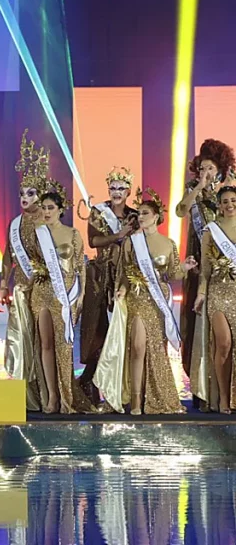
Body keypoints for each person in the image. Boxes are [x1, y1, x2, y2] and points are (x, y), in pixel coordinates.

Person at [96, 189, 195, 415]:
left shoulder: (168, 243)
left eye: (145, 213)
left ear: (156, 216)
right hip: (137, 298)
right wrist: (122, 289)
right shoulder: (132, 242)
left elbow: (172, 274)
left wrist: (185, 267)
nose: (140, 217)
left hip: (158, 300)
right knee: (138, 347)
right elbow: (124, 272)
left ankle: (153, 396)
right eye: (139, 213)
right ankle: (135, 400)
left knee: (155, 349)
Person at [176, 139, 236, 410]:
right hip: (198, 265)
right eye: (202, 168)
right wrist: (199, 187)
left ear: (220, 168)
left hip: (228, 269)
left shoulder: (228, 192)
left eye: (210, 168)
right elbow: (180, 211)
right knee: (195, 326)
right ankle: (202, 389)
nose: (206, 172)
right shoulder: (194, 189)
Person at [77, 168, 138, 403]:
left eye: (121, 188)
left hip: (126, 276)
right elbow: (93, 241)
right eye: (113, 188)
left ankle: (122, 387)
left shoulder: (135, 216)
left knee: (123, 329)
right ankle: (89, 380)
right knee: (97, 329)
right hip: (100, 276)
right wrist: (118, 236)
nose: (116, 192)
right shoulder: (98, 212)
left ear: (128, 191)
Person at [0, 130, 50, 411]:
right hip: (21, 287)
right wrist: (3, 283)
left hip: (42, 287)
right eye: (21, 193)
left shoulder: (47, 221)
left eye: (30, 193)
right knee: (21, 339)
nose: (24, 197)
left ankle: (46, 394)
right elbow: (8, 254)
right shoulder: (14, 223)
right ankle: (25, 396)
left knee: (42, 340)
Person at [29, 188, 89, 414]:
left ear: (60, 210)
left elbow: (80, 266)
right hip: (42, 291)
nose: (46, 212)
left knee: (64, 346)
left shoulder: (72, 233)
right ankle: (52, 396)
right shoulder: (38, 233)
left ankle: (67, 397)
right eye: (43, 208)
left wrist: (81, 295)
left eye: (50, 208)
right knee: (45, 344)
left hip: (65, 293)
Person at [195, 185, 236, 412]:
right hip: (218, 292)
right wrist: (201, 293)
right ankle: (223, 397)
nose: (230, 205)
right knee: (224, 343)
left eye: (233, 200)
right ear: (219, 205)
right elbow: (205, 269)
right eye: (225, 201)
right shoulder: (211, 231)